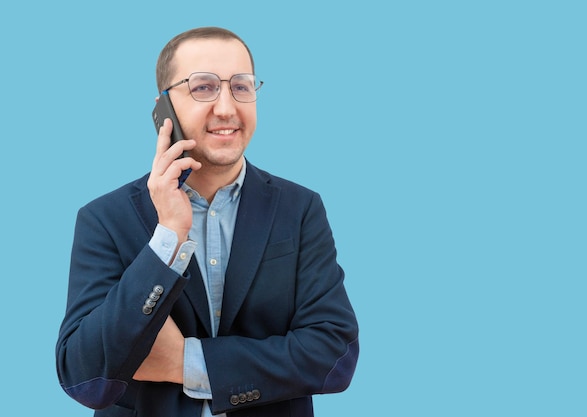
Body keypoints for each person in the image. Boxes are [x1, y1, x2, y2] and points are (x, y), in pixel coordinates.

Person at [55, 26, 359, 417]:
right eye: (203, 87)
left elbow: (334, 356)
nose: (227, 108)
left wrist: (186, 362)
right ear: (163, 109)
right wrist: (166, 238)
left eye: (241, 87)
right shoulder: (104, 219)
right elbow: (83, 376)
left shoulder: (300, 209)